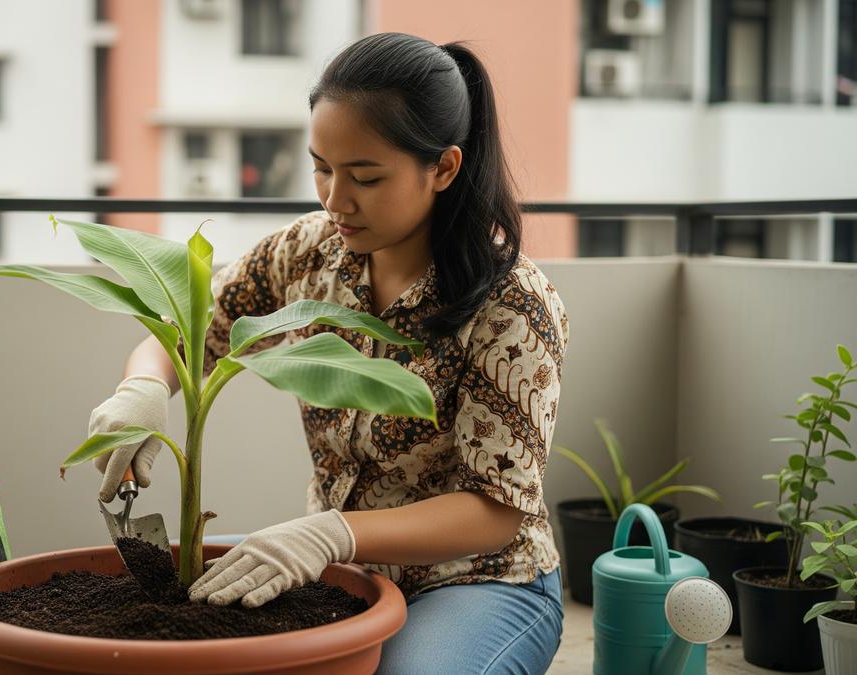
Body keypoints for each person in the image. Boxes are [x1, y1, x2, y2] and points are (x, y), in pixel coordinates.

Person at [87, 32, 568, 674]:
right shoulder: (308, 253)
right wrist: (141, 392)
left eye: (365, 177)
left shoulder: (513, 302)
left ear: (444, 169)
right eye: (322, 167)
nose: (335, 199)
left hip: (479, 581)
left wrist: (334, 532)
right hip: (340, 571)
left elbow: (495, 512)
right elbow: (187, 334)